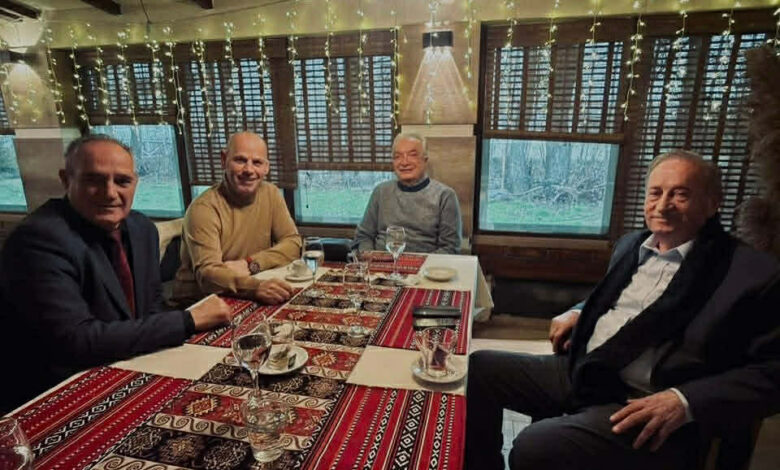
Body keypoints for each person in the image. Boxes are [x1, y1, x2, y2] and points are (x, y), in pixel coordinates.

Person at [465, 150, 780, 470]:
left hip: (644, 400)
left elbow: (772, 374)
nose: (663, 205)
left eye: (680, 194)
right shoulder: (632, 245)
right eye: (655, 193)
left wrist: (684, 401)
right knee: (480, 368)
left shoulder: (751, 273)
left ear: (713, 204)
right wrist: (579, 311)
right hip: (591, 370)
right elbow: (615, 300)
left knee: (534, 446)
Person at [0, 134, 233, 413]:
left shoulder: (141, 229)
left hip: (127, 367)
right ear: (66, 180)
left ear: (135, 183)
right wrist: (187, 320)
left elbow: (152, 308)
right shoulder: (37, 240)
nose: (110, 193)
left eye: (122, 181)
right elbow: (75, 341)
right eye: (94, 180)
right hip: (55, 395)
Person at [172, 131, 299, 306]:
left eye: (257, 162)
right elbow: (208, 276)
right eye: (240, 160)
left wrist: (251, 264)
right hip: (196, 303)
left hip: (244, 293)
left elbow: (293, 243)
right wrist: (255, 287)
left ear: (266, 167)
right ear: (224, 160)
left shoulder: (271, 194)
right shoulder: (203, 208)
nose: (249, 170)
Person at [354, 133, 462, 254]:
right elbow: (363, 236)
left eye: (412, 155)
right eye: (397, 156)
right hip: (380, 262)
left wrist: (421, 264)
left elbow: (450, 247)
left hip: (426, 264)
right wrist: (370, 257)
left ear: (425, 160)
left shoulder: (445, 196)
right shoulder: (380, 192)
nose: (404, 162)